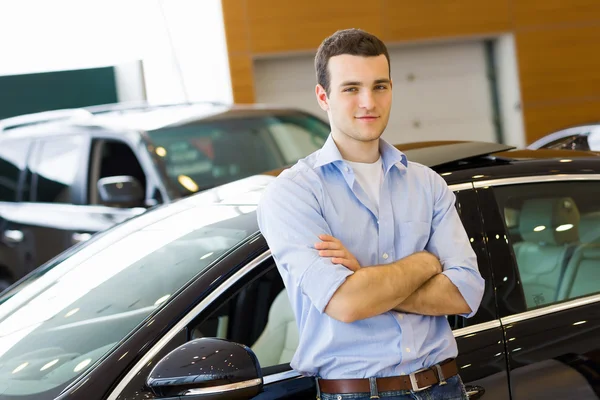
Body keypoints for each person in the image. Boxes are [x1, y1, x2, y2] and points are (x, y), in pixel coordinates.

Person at [257, 28, 485, 400]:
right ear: (323, 96)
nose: (369, 102)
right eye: (351, 89)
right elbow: (347, 303)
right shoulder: (293, 194)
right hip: (357, 393)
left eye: (380, 86)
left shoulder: (428, 185)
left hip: (445, 387)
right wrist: (426, 263)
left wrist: (363, 277)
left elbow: (464, 293)